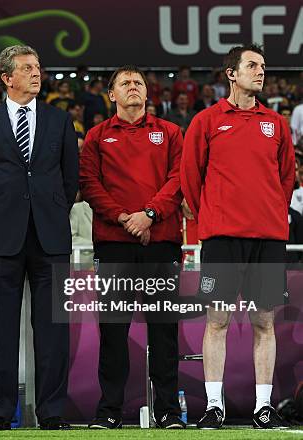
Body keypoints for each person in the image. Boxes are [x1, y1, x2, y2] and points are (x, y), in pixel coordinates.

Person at [181, 44, 295, 429]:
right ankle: (215, 406)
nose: (260, 72)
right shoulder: (207, 121)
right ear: (231, 73)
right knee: (218, 320)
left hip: (267, 237)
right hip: (222, 237)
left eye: (263, 66)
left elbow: (285, 179)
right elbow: (190, 178)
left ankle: (264, 407)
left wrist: (270, 215)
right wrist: (212, 216)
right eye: (252, 65)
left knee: (264, 322)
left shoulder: (276, 123)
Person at [0, 45, 78, 430]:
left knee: (53, 332)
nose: (37, 73)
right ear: (7, 78)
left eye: (38, 66)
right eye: (28, 67)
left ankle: (51, 413)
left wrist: (49, 215)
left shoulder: (60, 121)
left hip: (51, 239)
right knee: (2, 330)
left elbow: (70, 182)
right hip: (2, 240)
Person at [79, 65, 185, 430]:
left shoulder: (170, 132)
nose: (133, 87)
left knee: (164, 332)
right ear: (112, 95)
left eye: (138, 82)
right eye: (124, 83)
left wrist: (149, 214)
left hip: (162, 243)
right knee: (113, 332)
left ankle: (169, 411)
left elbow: (178, 180)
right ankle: (110, 410)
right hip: (114, 246)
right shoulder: (96, 136)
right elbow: (90, 184)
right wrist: (126, 218)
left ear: (147, 92)